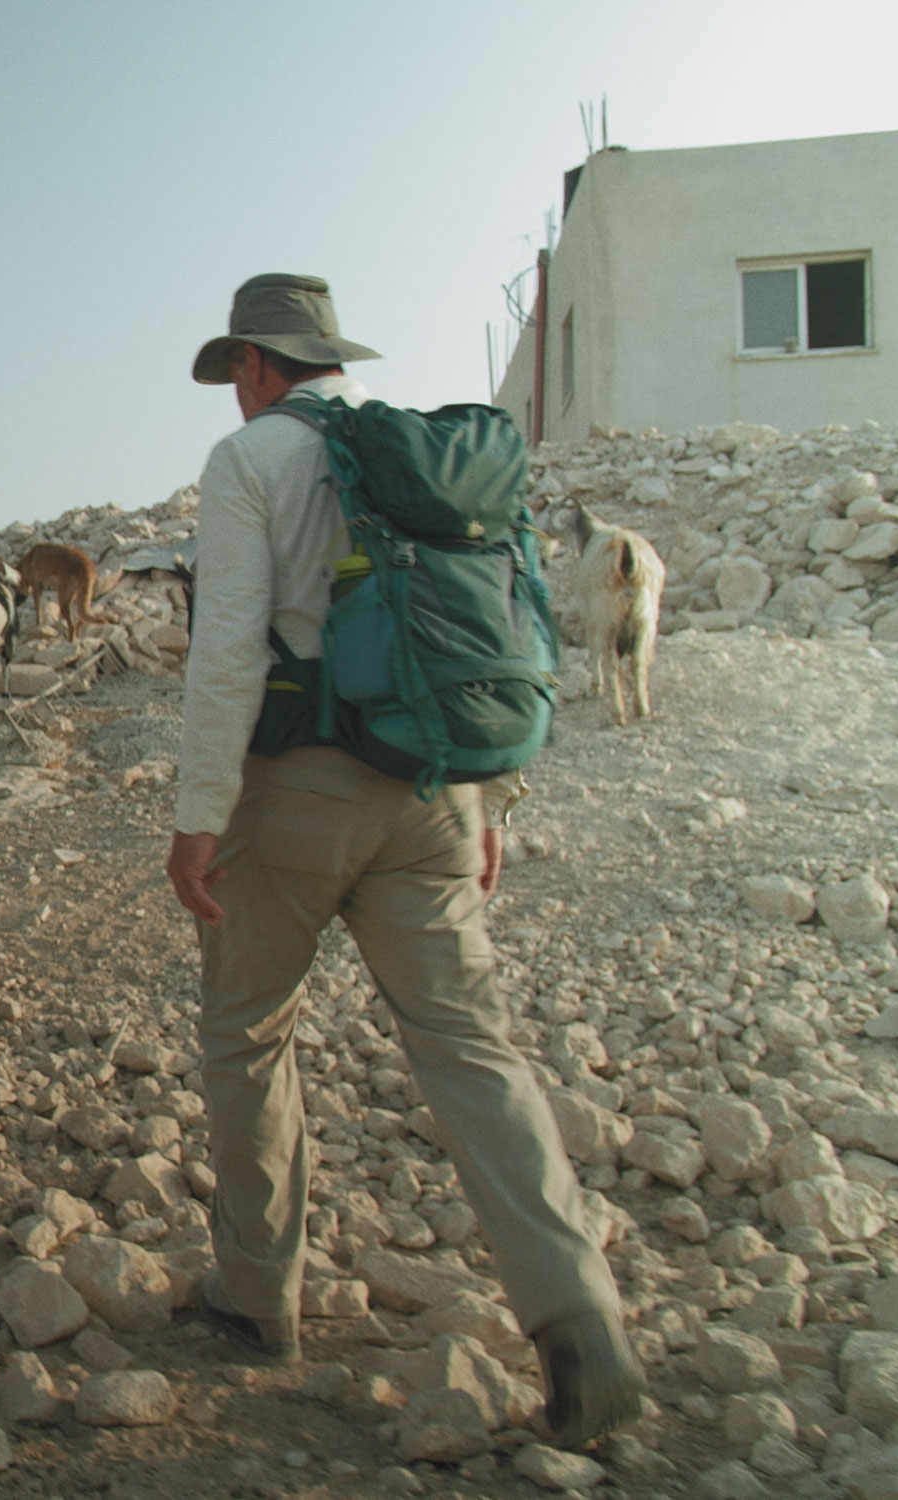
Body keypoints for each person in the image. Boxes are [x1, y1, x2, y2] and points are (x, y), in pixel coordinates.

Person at [167, 274, 643, 1448]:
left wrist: (196, 813)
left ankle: (255, 1296)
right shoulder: (427, 458)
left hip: (296, 794)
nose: (236, 391)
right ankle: (581, 1322)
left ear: (258, 366)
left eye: (237, 370)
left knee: (249, 1032)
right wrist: (485, 803)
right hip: (434, 791)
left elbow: (228, 647)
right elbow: (492, 631)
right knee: (472, 1050)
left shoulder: (254, 463)